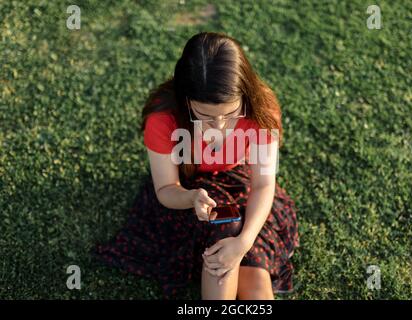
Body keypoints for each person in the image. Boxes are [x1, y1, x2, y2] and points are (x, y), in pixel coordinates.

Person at [95, 31, 299, 300]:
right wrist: (191, 197)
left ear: (244, 94)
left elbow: (263, 184)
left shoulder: (261, 109)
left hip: (241, 186)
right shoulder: (164, 117)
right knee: (224, 229)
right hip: (184, 191)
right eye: (205, 116)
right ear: (186, 99)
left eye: (230, 113)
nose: (220, 126)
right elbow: (167, 188)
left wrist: (245, 242)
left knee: (255, 284)